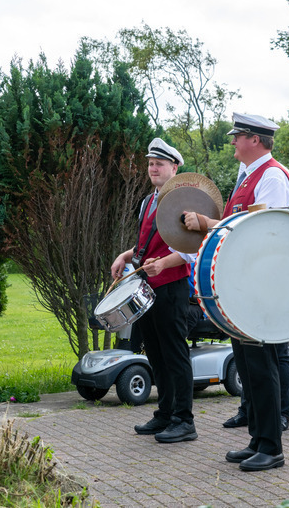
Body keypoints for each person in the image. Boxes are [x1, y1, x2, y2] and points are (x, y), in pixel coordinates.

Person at [184, 112, 289, 471]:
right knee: (249, 368)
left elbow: (266, 231)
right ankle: (259, 439)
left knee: (262, 368)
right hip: (244, 288)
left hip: (263, 289)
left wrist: (207, 224)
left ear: (256, 140)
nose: (232, 141)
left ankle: (272, 447)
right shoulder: (249, 175)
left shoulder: (273, 176)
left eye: (238, 136)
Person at [111, 138, 197, 444]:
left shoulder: (185, 200)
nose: (153, 168)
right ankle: (165, 413)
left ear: (174, 167)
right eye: (150, 163)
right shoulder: (149, 201)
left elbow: (193, 248)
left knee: (175, 355)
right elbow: (146, 243)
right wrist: (126, 255)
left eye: (159, 164)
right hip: (146, 288)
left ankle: (184, 420)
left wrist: (163, 264)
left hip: (171, 287)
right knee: (157, 355)